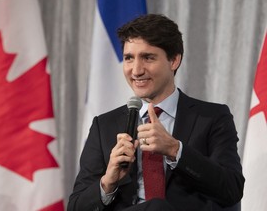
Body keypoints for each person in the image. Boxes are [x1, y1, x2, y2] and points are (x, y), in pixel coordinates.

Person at [67, 14, 245, 211]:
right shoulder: (104, 125)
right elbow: (76, 207)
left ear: (174, 60)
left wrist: (175, 150)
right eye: (129, 58)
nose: (136, 70)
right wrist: (108, 182)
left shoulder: (212, 117)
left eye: (148, 58)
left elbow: (232, 189)